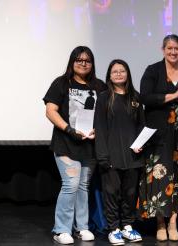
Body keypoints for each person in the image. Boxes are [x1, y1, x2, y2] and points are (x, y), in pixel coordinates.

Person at [43, 46, 107, 244]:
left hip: (90, 146)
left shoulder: (99, 86)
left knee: (83, 186)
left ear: (92, 63)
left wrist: (99, 129)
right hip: (66, 143)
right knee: (70, 185)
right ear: (72, 61)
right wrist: (69, 130)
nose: (83, 63)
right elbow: (50, 111)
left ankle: (82, 227)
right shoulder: (61, 83)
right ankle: (61, 229)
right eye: (79, 60)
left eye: (87, 60)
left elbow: (106, 114)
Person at [138, 34, 178, 241]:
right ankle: (160, 223)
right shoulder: (152, 71)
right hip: (158, 136)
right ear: (163, 49)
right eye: (169, 48)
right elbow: (144, 97)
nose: (173, 52)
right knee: (159, 177)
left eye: (176, 49)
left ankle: (173, 223)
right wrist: (174, 95)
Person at [94, 59, 145, 245]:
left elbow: (141, 125)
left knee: (131, 193)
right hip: (111, 156)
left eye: (122, 70)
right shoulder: (103, 98)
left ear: (127, 74)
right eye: (114, 71)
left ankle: (128, 226)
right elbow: (99, 128)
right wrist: (103, 156)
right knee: (112, 193)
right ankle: (114, 228)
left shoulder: (136, 97)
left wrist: (141, 144)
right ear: (109, 75)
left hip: (133, 156)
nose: (118, 74)